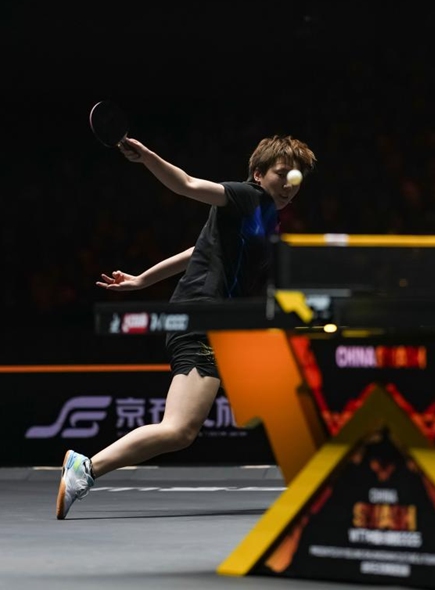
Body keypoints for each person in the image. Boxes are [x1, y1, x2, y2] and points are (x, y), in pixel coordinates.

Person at [56, 133, 316, 520]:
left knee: (290, 393)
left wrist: (143, 280)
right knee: (179, 430)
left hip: (227, 328)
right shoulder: (250, 196)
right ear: (258, 174)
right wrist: (146, 157)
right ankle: (86, 467)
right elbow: (189, 185)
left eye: (296, 177)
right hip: (202, 322)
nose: (289, 183)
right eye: (282, 173)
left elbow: (198, 251)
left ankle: (320, 482)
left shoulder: (262, 217)